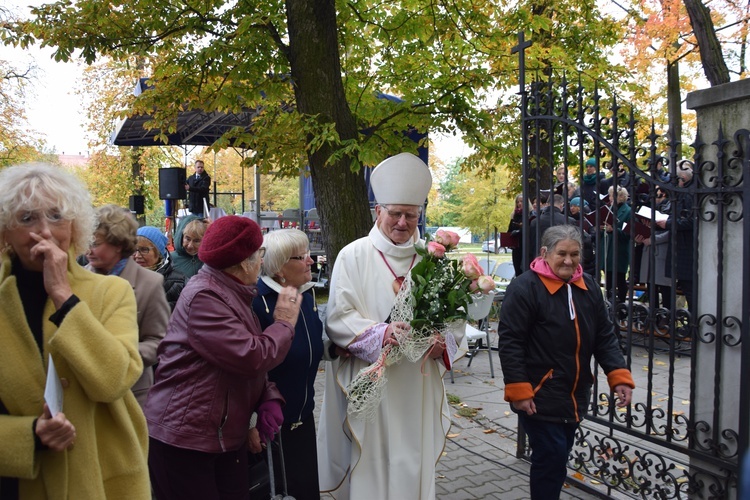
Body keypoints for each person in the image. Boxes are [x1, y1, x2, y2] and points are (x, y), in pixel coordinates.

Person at [317, 152, 462, 500]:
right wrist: (382, 333)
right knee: (373, 459)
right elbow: (338, 316)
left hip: (417, 380)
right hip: (373, 380)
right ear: (377, 211)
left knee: (413, 456)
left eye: (410, 215)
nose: (402, 222)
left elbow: (456, 319)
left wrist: (444, 342)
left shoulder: (433, 259)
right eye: (395, 213)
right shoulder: (354, 255)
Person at [0, 163, 150, 498]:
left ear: (75, 226)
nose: (46, 231)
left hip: (102, 481)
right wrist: (30, 437)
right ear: (4, 231)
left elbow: (115, 380)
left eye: (56, 216)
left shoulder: (112, 292)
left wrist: (64, 297)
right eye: (27, 219)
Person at [145, 215, 301, 499]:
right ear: (244, 262)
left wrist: (268, 396)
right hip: (186, 439)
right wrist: (284, 323)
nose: (262, 262)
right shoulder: (206, 296)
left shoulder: (231, 292)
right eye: (260, 255)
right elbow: (251, 355)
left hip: (219, 436)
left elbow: (236, 360)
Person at [497, 224, 635, 500]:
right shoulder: (525, 288)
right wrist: (519, 389)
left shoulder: (589, 286)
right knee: (552, 461)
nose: (569, 261)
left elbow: (604, 335)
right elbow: (511, 341)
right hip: (539, 394)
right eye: (562, 254)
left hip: (574, 394)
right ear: (545, 253)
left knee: (557, 458)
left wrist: (618, 375)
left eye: (575, 254)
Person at [251, 229, 326, 500]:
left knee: (305, 491)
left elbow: (313, 346)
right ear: (279, 267)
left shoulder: (304, 296)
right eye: (303, 256)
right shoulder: (257, 303)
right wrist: (251, 423)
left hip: (303, 419)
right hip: (270, 427)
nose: (311, 261)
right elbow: (247, 368)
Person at [86, 204, 170, 407]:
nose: (88, 249)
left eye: (95, 243)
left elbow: (160, 342)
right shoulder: (78, 277)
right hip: (87, 389)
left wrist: (120, 354)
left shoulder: (150, 283)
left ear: (118, 244)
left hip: (131, 393)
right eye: (86, 242)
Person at [660, 163, 695, 311]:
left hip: (687, 249)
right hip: (681, 248)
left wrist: (667, 223)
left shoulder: (689, 194)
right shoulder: (684, 193)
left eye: (675, 179)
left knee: (691, 292)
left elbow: (691, 221)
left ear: (684, 177)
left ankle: (695, 327)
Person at [134, 225, 186, 311]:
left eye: (144, 250)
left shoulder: (179, 283)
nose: (137, 255)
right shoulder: (124, 278)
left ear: (159, 252)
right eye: (133, 249)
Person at [599, 185, 632, 305]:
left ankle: (621, 306)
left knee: (619, 279)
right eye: (610, 195)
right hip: (607, 249)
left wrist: (613, 229)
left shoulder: (628, 211)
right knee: (608, 279)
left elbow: (629, 233)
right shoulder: (608, 209)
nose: (611, 198)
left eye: (613, 195)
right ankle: (608, 304)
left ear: (622, 197)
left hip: (619, 251)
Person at [527, 194, 577, 269]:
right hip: (562, 259)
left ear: (547, 204)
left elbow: (531, 243)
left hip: (539, 259)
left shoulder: (535, 221)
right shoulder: (569, 220)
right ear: (561, 205)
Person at [170, 214, 209, 280]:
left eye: (196, 241)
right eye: (187, 239)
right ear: (181, 237)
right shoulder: (170, 260)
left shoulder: (208, 260)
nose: (190, 245)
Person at [508, 194, 528, 277]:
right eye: (518, 202)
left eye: (522, 201)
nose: (519, 204)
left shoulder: (529, 214)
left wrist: (520, 231)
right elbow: (509, 230)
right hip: (516, 247)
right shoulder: (514, 215)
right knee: (517, 269)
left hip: (525, 247)